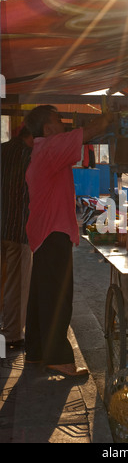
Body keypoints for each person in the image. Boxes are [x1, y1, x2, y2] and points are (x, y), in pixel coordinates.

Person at [24, 105, 114, 377]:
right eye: (58, 121)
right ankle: (59, 358)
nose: (63, 124)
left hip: (44, 233)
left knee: (42, 294)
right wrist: (110, 114)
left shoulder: (42, 151)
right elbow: (91, 131)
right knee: (57, 296)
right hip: (53, 233)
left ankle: (37, 351)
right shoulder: (51, 147)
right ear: (48, 129)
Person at [1, 126, 33, 348]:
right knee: (16, 284)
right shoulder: (30, 155)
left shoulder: (2, 150)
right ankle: (12, 334)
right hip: (17, 228)